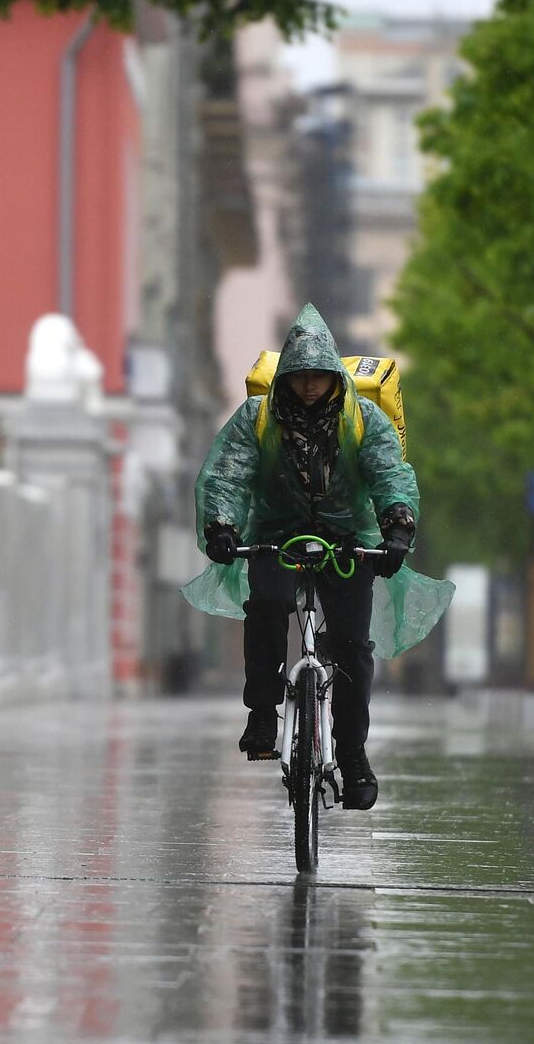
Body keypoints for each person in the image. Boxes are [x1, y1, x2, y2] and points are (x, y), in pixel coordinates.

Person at [189, 304, 438, 811]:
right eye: (299, 377)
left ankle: (352, 754)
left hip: (347, 539)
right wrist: (221, 525)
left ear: (333, 378)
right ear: (285, 378)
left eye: (317, 378)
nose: (308, 387)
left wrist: (396, 528)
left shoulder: (363, 419)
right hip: (275, 535)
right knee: (266, 606)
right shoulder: (257, 419)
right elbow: (229, 474)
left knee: (351, 648)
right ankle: (262, 712)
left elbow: (390, 472)